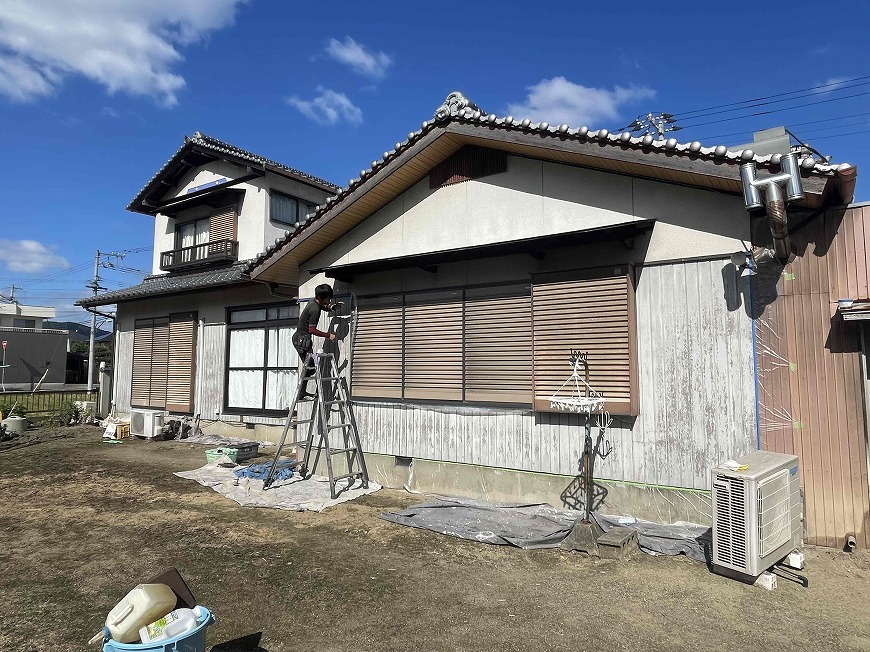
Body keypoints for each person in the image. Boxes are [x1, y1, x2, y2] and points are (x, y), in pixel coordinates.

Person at [292, 284, 340, 398]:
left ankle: (302, 392)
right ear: (320, 297)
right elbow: (312, 330)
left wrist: (332, 307)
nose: (329, 300)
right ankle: (302, 392)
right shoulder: (315, 309)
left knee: (310, 367)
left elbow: (322, 307)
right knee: (311, 367)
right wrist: (328, 335)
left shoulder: (313, 303)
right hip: (302, 340)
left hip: (301, 339)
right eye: (327, 298)